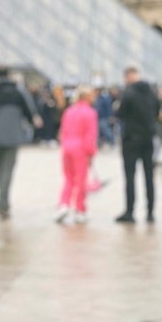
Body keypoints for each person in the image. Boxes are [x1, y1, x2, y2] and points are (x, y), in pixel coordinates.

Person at [0, 66, 43, 220]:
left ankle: (2, 200)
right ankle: (3, 202)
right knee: (8, 169)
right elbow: (29, 111)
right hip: (13, 135)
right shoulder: (19, 92)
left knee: (0, 169)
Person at [114, 66, 160, 224]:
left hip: (131, 139)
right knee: (149, 177)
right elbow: (157, 111)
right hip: (148, 139)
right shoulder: (152, 92)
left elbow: (120, 113)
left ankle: (130, 212)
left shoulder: (128, 93)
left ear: (128, 77)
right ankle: (150, 212)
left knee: (130, 177)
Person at [54, 85, 98, 224]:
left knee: (68, 178)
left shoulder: (69, 111)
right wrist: (91, 153)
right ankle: (80, 209)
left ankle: (64, 205)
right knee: (81, 180)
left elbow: (62, 132)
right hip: (81, 149)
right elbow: (90, 135)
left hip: (67, 147)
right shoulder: (90, 113)